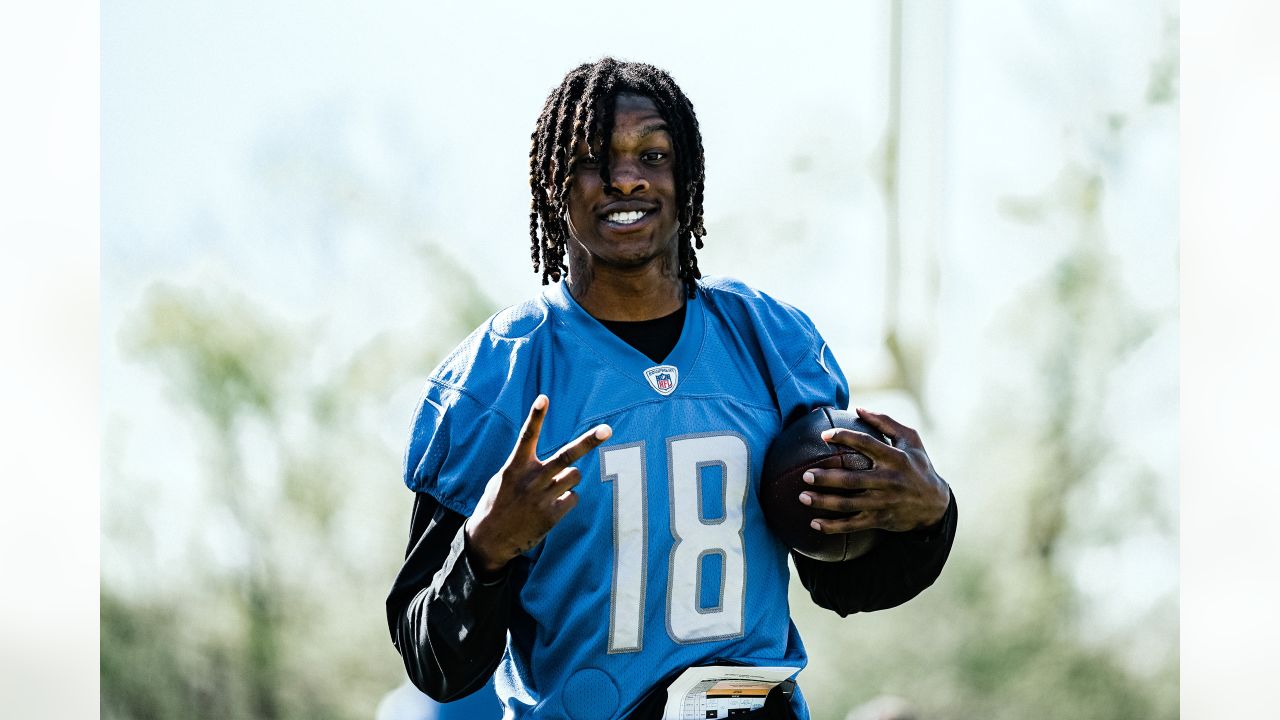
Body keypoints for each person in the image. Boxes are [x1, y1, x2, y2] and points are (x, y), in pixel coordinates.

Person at [386, 58, 957, 720]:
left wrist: (927, 518)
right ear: (552, 182)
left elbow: (844, 581)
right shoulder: (493, 375)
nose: (626, 176)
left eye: (652, 154)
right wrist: (484, 551)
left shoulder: (771, 340)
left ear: (687, 177)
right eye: (594, 158)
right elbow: (434, 662)